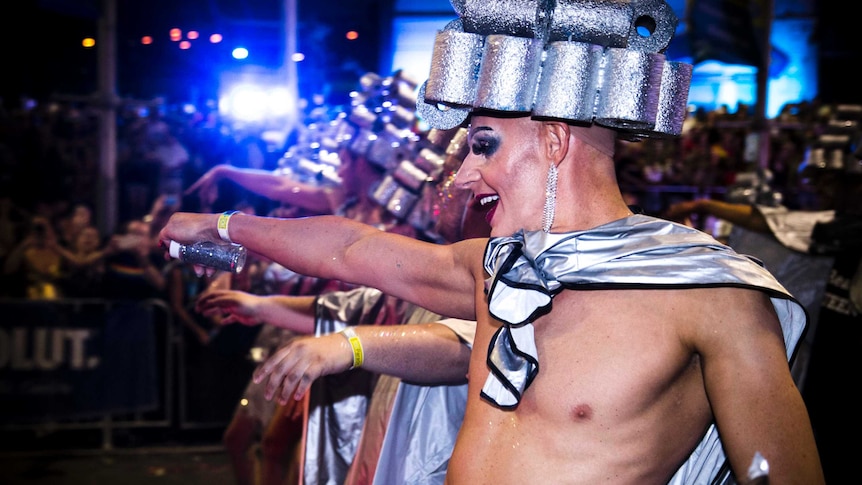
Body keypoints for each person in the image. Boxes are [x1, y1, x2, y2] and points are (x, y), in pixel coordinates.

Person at [159, 1, 823, 483]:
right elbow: (349, 250)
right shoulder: (499, 270)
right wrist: (223, 227)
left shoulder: (711, 298)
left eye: (483, 145)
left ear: (557, 140)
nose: (465, 172)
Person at [664, 135, 862, 482]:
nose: (824, 192)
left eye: (836, 183)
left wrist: (708, 207)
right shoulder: (843, 225)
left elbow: (782, 224)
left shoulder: (848, 228)